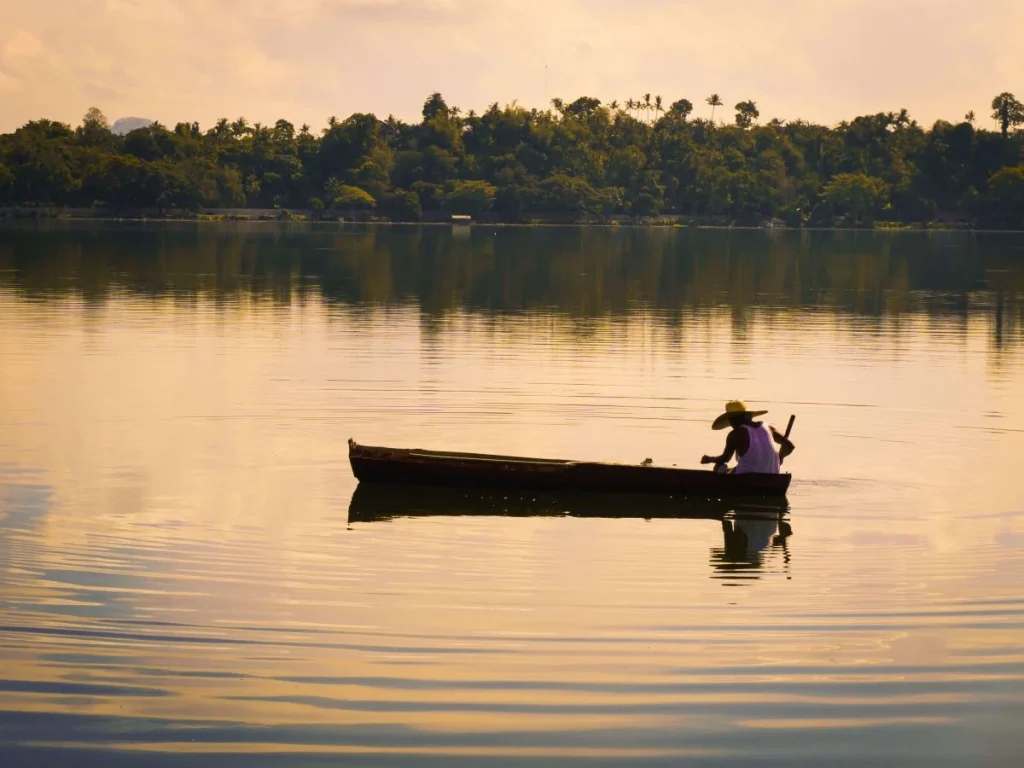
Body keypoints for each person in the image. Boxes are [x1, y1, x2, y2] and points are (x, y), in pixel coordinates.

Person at [700, 400, 794, 474]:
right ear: (749, 416)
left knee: (719, 467)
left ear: (733, 420)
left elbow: (725, 459)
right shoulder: (768, 427)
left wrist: (709, 459)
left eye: (731, 420)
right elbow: (789, 446)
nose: (731, 423)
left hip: (747, 479)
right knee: (731, 469)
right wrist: (780, 459)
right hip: (773, 476)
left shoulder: (735, 434)